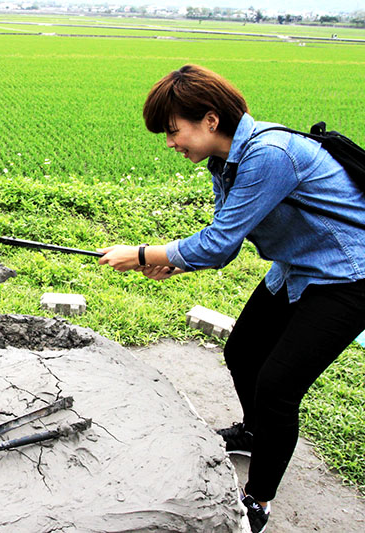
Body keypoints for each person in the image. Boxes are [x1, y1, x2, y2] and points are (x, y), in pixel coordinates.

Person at [98, 64, 365, 533]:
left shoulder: (270, 155)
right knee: (243, 350)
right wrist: (171, 261)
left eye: (173, 131)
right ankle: (256, 433)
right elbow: (224, 243)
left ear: (210, 121)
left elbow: (219, 243)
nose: (169, 143)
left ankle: (257, 501)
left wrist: (141, 253)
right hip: (299, 266)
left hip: (349, 275)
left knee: (279, 387)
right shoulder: (226, 161)